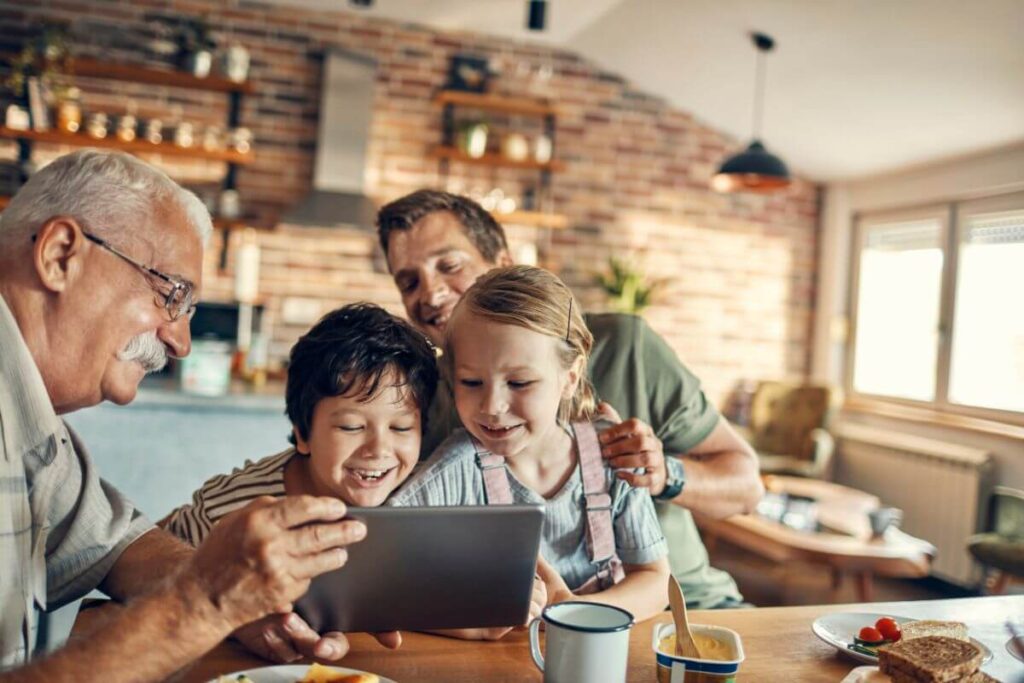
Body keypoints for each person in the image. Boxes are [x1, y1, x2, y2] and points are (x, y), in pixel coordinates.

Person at [0, 150, 366, 679]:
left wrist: (249, 600)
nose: (180, 342)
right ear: (60, 255)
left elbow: (116, 545)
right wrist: (205, 604)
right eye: (171, 294)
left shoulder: (37, 423)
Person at [377, 189, 764, 609]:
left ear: (505, 262)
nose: (430, 294)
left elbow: (748, 487)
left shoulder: (627, 346)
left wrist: (662, 473)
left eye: (449, 265)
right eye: (409, 281)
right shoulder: (422, 393)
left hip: (691, 606)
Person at [390, 265, 670, 629]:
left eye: (520, 383)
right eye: (472, 382)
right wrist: (470, 619)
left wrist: (571, 613)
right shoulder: (454, 471)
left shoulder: (611, 455)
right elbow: (384, 582)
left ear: (569, 378)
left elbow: (655, 580)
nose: (492, 406)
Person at [162, 303, 439, 548]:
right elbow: (155, 576)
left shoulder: (432, 494)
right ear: (302, 432)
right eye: (351, 427)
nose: (379, 450)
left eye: (401, 428)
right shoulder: (231, 512)